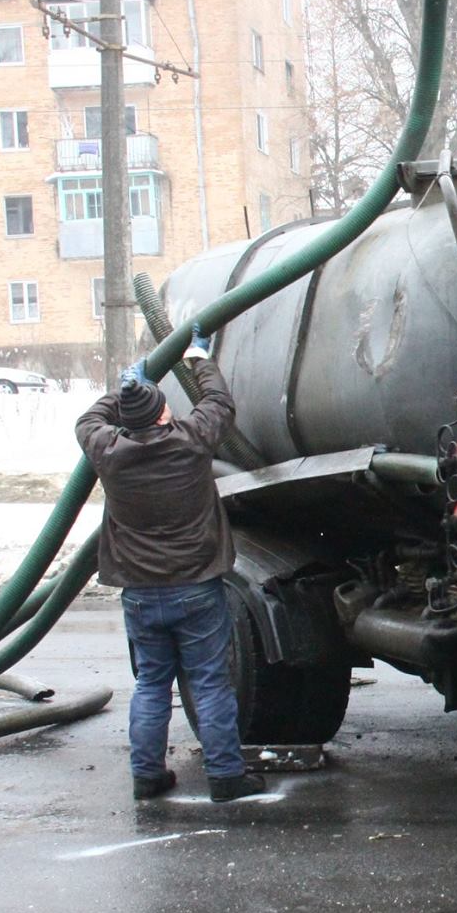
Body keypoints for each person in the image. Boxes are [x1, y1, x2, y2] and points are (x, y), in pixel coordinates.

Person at [76, 332, 264, 802]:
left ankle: (147, 775)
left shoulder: (108, 453)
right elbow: (218, 402)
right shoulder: (190, 441)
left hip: (140, 593)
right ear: (164, 413)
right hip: (197, 587)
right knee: (209, 683)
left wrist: (124, 393)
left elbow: (87, 420)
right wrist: (198, 358)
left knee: (152, 684)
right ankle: (225, 776)